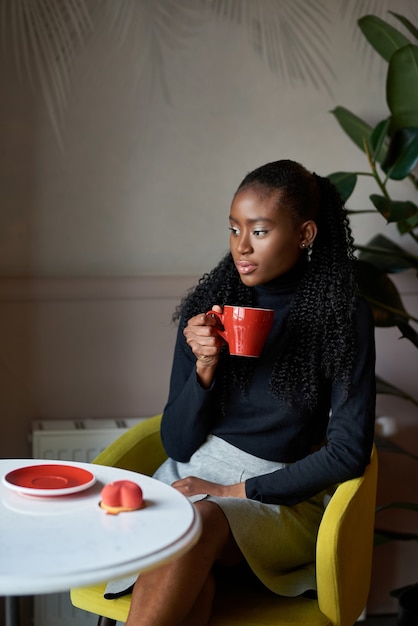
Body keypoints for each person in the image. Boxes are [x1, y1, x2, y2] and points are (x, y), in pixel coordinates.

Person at [124, 159, 376, 625]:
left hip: (277, 494)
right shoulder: (209, 308)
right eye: (234, 228)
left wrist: (231, 490)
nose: (241, 246)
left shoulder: (341, 317)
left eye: (259, 231)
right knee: (195, 575)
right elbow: (177, 444)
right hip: (186, 474)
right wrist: (205, 367)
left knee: (195, 525)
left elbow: (348, 453)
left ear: (304, 234)